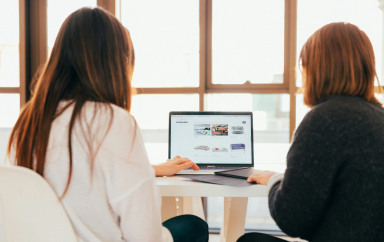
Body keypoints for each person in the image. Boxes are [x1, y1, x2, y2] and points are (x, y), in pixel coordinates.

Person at [7, 7, 208, 242]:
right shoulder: (115, 122)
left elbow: (75, 176)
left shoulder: (28, 121)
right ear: (116, 64)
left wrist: (149, 169)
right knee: (193, 226)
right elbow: (145, 237)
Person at [238, 22, 384, 241]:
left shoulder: (324, 119)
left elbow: (292, 219)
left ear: (316, 69)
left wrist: (275, 181)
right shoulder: (379, 116)